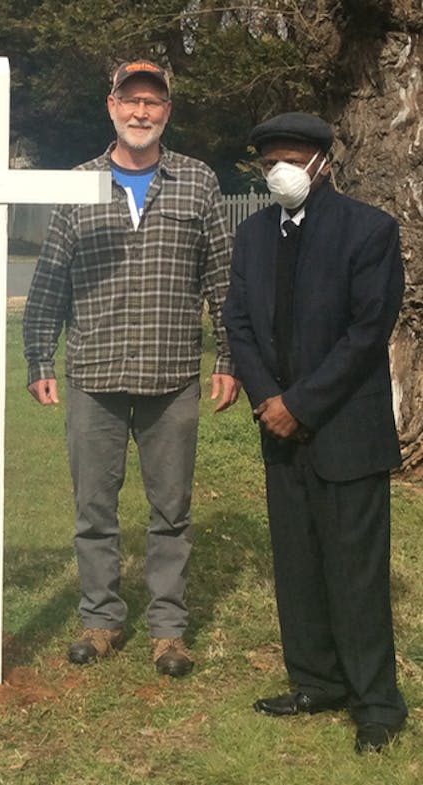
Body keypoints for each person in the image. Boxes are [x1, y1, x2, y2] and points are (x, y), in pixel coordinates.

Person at [23, 60, 239, 677]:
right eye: (131, 100)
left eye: (153, 102)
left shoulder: (198, 182)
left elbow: (220, 279)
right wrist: (40, 354)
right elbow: (50, 282)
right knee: (94, 508)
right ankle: (101, 619)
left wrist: (228, 356)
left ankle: (168, 629)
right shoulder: (79, 185)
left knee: (172, 509)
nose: (141, 112)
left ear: (167, 111)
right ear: (111, 106)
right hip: (94, 371)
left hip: (173, 375)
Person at [222, 112, 407, 753]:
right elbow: (238, 323)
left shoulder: (369, 231)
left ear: (323, 162)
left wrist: (300, 403)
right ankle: (315, 680)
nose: (280, 170)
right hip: (278, 428)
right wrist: (269, 399)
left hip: (344, 429)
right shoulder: (250, 236)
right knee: (296, 563)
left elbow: (366, 333)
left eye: (292, 157)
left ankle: (376, 702)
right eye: (269, 158)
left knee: (356, 571)